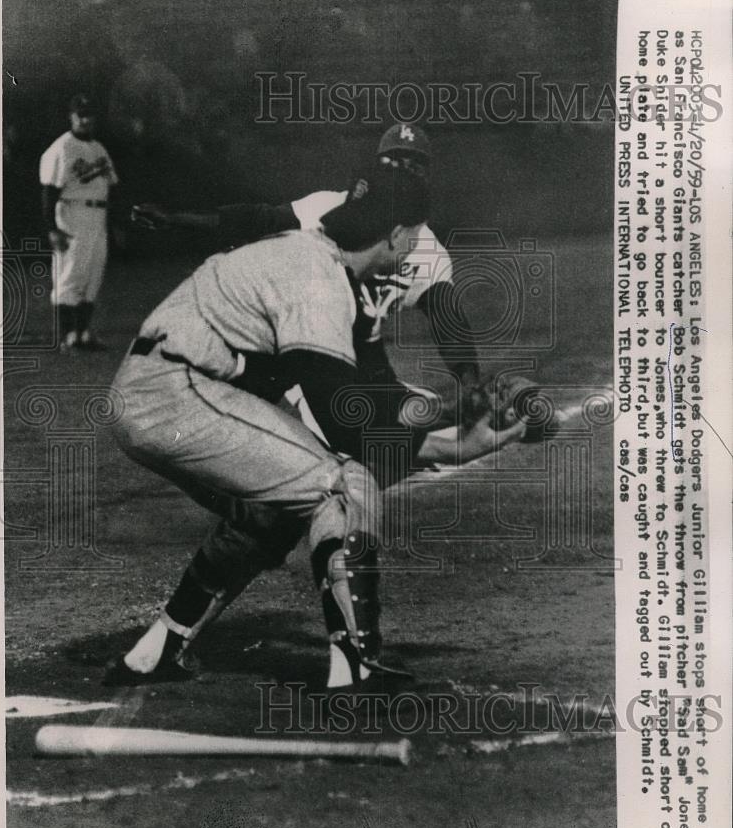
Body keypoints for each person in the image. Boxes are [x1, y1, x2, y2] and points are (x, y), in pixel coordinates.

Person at [105, 164, 525, 692]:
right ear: (396, 235)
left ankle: (156, 650)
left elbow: (360, 402)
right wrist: (458, 445)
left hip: (168, 386)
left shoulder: (310, 255)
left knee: (276, 506)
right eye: (412, 237)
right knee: (342, 484)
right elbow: (347, 431)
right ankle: (356, 666)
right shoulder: (320, 281)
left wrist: (446, 421)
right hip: (174, 392)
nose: (413, 248)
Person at [131, 124, 487, 427]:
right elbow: (259, 219)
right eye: (392, 161)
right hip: (293, 348)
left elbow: (447, 316)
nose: (402, 169)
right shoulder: (331, 207)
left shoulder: (424, 247)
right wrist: (180, 219)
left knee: (389, 427)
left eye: (413, 164)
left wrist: (469, 382)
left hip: (349, 355)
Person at [39, 93, 118, 351]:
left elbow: (110, 187)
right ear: (71, 116)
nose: (85, 120)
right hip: (72, 215)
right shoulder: (62, 148)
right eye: (80, 115)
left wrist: (114, 224)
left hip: (98, 217)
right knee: (70, 275)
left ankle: (83, 334)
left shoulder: (98, 148)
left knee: (93, 275)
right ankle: (66, 336)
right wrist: (52, 229)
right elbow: (49, 191)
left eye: (89, 115)